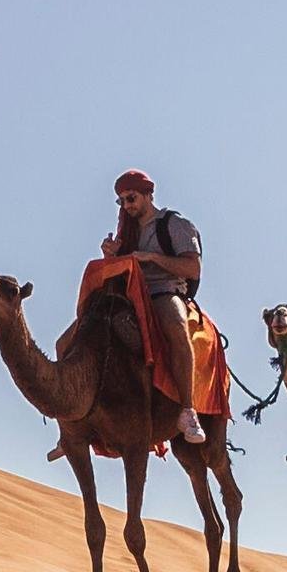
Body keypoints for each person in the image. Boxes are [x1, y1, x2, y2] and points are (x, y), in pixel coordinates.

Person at [87, 168, 211, 442]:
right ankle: (74, 420)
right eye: (121, 201)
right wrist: (111, 256)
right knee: (80, 333)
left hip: (164, 292)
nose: (127, 206)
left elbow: (193, 267)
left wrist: (152, 258)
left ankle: (188, 411)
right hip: (130, 296)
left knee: (176, 328)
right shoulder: (127, 232)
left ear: (147, 195)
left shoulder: (174, 225)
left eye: (131, 198)